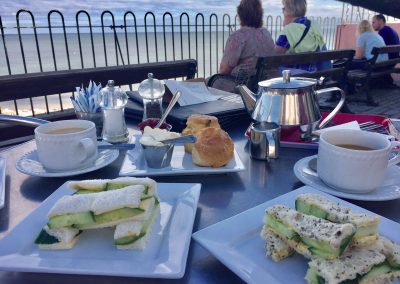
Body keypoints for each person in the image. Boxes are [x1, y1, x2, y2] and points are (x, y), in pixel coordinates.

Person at [212, 0, 275, 91]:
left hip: (243, 86)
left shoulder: (238, 36)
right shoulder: (266, 33)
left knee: (210, 81)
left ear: (240, 14)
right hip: (264, 83)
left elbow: (224, 70)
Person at [275, 0, 330, 73]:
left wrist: (286, 26)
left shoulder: (289, 30)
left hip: (297, 78)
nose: (283, 12)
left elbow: (274, 56)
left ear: (289, 11)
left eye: (284, 8)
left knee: (271, 69)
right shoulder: (314, 25)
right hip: (314, 73)